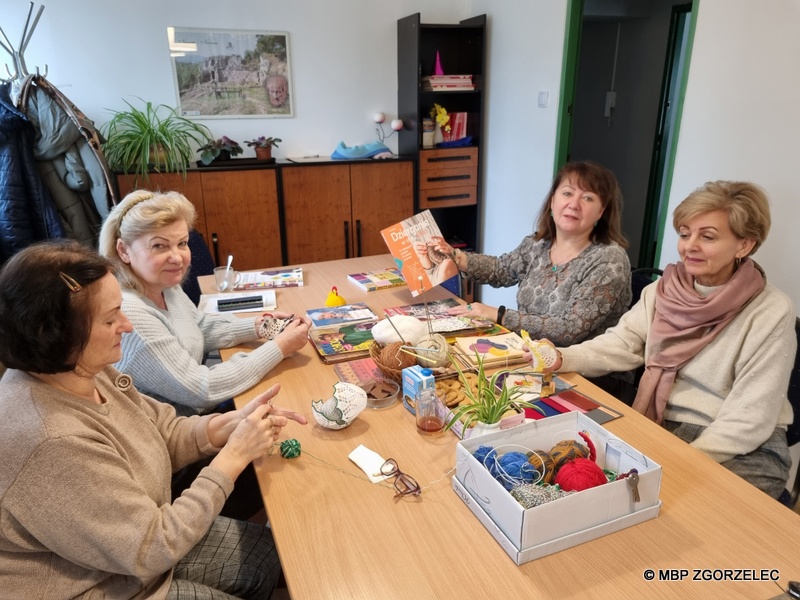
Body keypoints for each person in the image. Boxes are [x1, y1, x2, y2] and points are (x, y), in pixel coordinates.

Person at [0, 240, 308, 597]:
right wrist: (234, 456)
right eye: (111, 318)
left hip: (135, 548)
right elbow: (151, 548)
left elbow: (162, 429)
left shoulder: (82, 369)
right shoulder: (52, 439)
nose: (127, 326)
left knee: (267, 556)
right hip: (100, 584)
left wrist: (226, 426)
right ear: (55, 335)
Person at [528, 181, 796, 498]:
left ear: (744, 246)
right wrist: (561, 358)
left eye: (707, 237)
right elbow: (622, 345)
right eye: (684, 234)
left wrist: (675, 464)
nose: (689, 246)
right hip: (663, 423)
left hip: (744, 446)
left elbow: (749, 419)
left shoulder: (770, 311)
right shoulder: (662, 292)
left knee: (692, 519)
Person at [98, 190, 311, 417]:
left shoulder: (164, 285)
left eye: (182, 243)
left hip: (199, 419)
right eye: (159, 246)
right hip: (180, 435)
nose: (177, 257)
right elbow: (203, 388)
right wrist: (279, 347)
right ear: (123, 250)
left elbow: (198, 327)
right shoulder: (131, 314)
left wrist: (259, 326)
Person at [437, 160, 631, 346]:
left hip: (582, 372)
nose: (574, 204)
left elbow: (570, 329)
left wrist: (498, 315)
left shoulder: (609, 259)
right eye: (567, 193)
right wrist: (454, 255)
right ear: (553, 201)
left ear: (601, 212)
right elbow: (500, 269)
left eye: (588, 198)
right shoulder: (538, 244)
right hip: (531, 353)